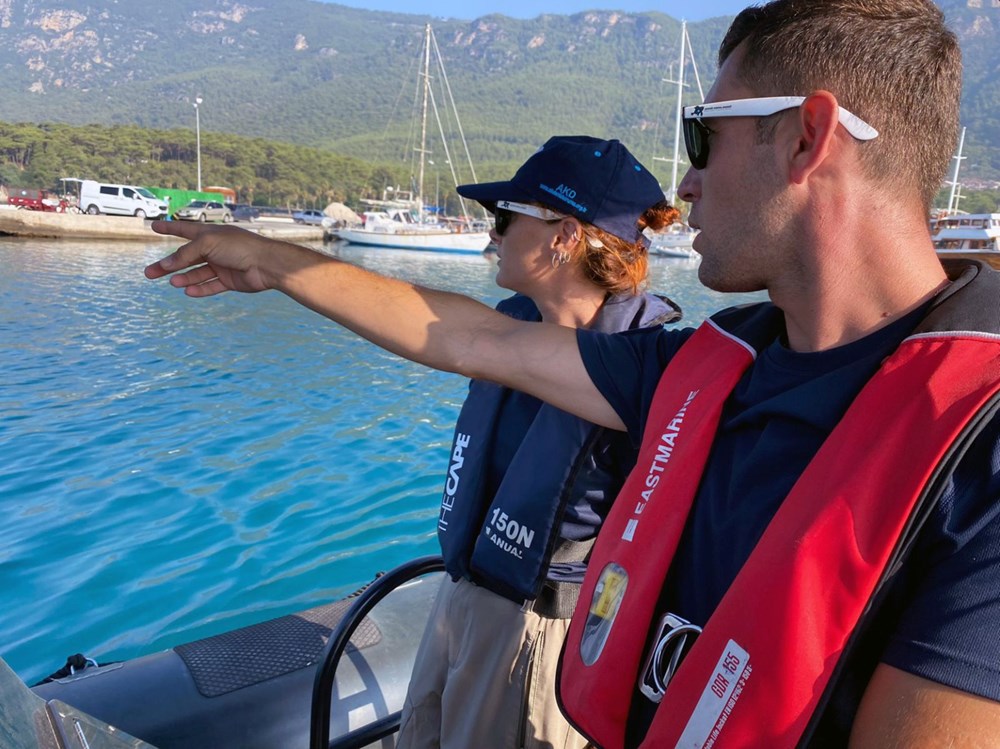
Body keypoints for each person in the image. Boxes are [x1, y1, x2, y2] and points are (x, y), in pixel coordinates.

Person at [144, 1, 1000, 744]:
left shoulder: (982, 449)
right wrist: (275, 261)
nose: (689, 183)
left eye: (704, 134)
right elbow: (470, 341)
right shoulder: (704, 368)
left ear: (808, 138)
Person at [396, 136, 681, 749]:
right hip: (461, 601)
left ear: (565, 235)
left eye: (505, 217)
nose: (493, 233)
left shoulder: (637, 371)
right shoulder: (510, 329)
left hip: (538, 632)